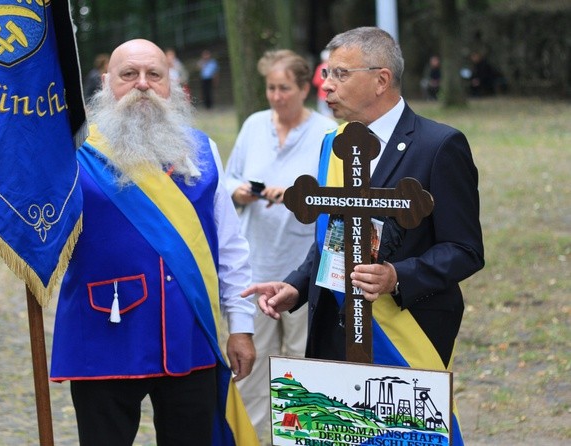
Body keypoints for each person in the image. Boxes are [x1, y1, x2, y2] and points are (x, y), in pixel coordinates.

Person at [242, 27, 484, 446]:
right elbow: (332, 239)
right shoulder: (330, 144)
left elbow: (465, 250)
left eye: (339, 73)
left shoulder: (439, 145)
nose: (327, 85)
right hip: (333, 328)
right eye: (325, 73)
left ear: (381, 79)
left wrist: (398, 275)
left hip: (407, 330)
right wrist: (295, 286)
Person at [50, 39, 258, 446]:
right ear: (107, 82)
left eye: (153, 75)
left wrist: (242, 327)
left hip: (189, 334)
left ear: (171, 84)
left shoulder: (203, 149)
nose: (142, 85)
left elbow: (231, 246)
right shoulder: (72, 150)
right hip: (102, 334)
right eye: (129, 75)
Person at [224, 49, 336, 440]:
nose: (276, 96)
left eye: (284, 88)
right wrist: (238, 191)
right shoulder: (254, 125)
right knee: (252, 368)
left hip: (304, 271)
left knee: (301, 366)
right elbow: (228, 177)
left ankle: (299, 437)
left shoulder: (326, 132)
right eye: (270, 88)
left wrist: (294, 196)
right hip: (255, 266)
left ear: (305, 88)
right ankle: (253, 438)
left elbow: (333, 198)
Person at [312, 49, 333, 117]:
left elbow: (315, 81)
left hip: (322, 94)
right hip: (332, 93)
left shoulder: (320, 68)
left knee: (323, 112)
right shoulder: (333, 68)